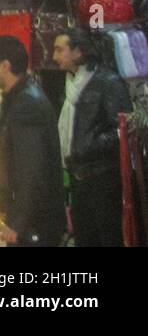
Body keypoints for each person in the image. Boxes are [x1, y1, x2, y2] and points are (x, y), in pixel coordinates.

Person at [0, 35, 65, 247]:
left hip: (35, 224)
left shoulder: (27, 103)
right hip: (29, 221)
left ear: (5, 66)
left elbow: (31, 169)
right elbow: (12, 146)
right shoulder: (15, 98)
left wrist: (18, 222)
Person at [54, 28, 132, 246]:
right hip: (79, 178)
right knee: (86, 238)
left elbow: (123, 130)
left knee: (107, 238)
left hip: (103, 180)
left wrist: (88, 147)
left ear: (77, 52)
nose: (54, 56)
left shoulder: (107, 82)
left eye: (60, 50)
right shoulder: (70, 84)